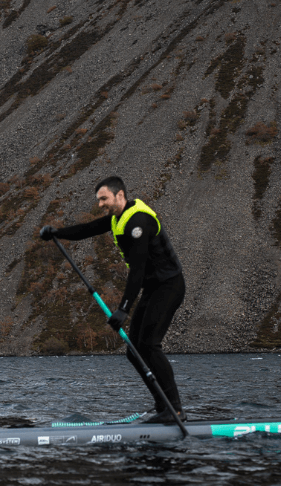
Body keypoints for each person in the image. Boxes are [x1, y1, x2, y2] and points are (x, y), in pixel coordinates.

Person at [39, 176, 186, 424]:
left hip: (169, 286)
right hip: (153, 288)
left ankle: (175, 410)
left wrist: (123, 310)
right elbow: (90, 228)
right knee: (134, 351)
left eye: (104, 198)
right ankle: (163, 406)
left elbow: (137, 271)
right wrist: (57, 233)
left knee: (149, 345)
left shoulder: (138, 221)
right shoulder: (119, 217)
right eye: (98, 200)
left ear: (120, 195)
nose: (100, 204)